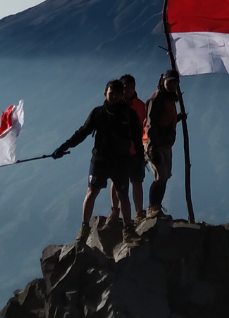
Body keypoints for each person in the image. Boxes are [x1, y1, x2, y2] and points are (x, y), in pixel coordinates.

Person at [52, 79, 140, 243]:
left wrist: (138, 157)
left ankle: (128, 229)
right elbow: (83, 132)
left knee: (123, 195)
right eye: (111, 93)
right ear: (105, 93)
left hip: (120, 161)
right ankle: (85, 228)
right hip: (100, 160)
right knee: (92, 192)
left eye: (117, 93)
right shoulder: (98, 113)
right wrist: (63, 147)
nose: (113, 96)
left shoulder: (128, 114)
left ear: (122, 95)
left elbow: (137, 137)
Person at [144, 69, 182, 218]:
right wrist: (152, 148)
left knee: (165, 176)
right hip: (155, 144)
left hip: (166, 144)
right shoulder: (156, 99)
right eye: (169, 82)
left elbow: (164, 121)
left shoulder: (171, 98)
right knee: (160, 176)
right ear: (163, 82)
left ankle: (157, 206)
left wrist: (177, 118)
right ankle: (152, 207)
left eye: (175, 82)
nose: (172, 85)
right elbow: (151, 125)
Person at [110, 74, 147, 223]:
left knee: (136, 181)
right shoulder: (114, 106)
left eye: (132, 87)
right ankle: (115, 211)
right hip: (119, 151)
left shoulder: (140, 105)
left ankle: (139, 213)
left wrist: (143, 144)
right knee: (116, 181)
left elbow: (145, 126)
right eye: (126, 88)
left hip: (136, 149)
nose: (129, 91)